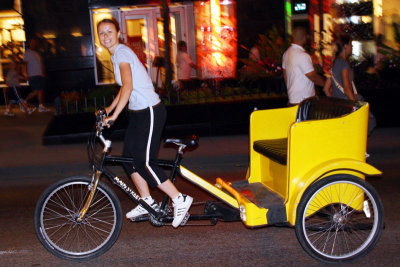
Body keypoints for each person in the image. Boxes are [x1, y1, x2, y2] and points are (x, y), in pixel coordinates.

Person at [97, 18, 192, 228]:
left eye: (109, 31)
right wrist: (109, 109)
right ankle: (147, 200)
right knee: (128, 159)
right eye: (101, 33)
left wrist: (114, 116)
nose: (105, 36)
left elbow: (128, 87)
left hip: (150, 111)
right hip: (138, 114)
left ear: (118, 33)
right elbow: (123, 89)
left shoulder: (121, 52)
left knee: (144, 162)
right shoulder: (116, 55)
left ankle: (179, 199)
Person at [323, 35, 376, 135]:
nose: (352, 47)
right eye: (351, 45)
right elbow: (347, 89)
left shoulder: (334, 63)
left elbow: (326, 89)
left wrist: (335, 100)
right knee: (369, 122)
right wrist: (355, 106)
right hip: (348, 105)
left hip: (339, 106)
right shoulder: (344, 65)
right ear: (345, 46)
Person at [282, 26, 325, 105]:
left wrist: (290, 91)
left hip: (293, 98)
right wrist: (326, 84)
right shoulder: (303, 55)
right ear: (305, 38)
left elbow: (285, 75)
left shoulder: (286, 53)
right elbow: (312, 76)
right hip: (304, 100)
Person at [23, 38, 50, 112]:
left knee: (41, 90)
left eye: (35, 43)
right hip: (33, 75)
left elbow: (40, 64)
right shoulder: (28, 53)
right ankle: (24, 101)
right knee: (36, 91)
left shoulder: (37, 53)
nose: (34, 44)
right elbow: (25, 64)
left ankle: (41, 106)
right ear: (29, 44)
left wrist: (43, 73)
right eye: (32, 43)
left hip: (40, 75)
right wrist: (25, 74)